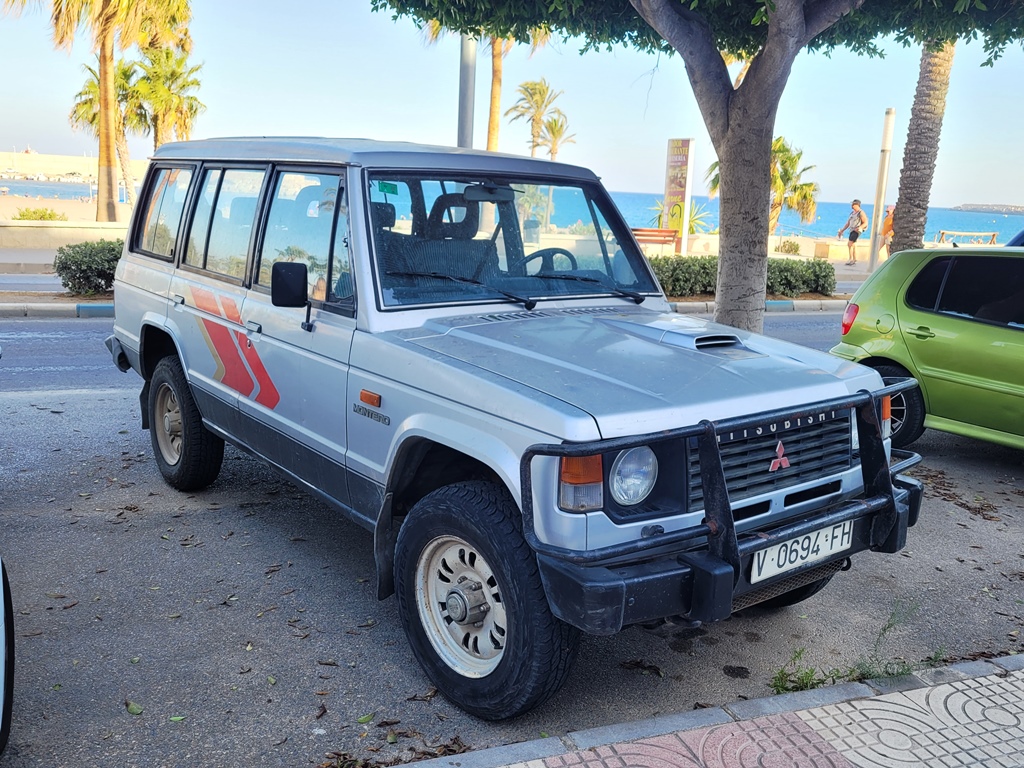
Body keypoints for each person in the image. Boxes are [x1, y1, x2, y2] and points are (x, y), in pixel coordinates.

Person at [837, 199, 869, 265]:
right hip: (851, 230)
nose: (852, 205)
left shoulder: (861, 212)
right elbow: (848, 223)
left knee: (850, 243)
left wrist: (859, 228)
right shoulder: (852, 213)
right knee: (853, 244)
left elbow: (865, 222)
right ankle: (854, 259)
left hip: (856, 231)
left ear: (857, 205)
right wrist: (842, 230)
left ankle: (851, 259)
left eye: (853, 204)